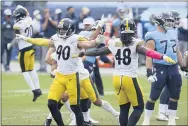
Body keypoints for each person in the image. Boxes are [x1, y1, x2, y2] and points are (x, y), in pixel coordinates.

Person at [78, 18, 176, 126]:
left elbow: (97, 51)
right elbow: (148, 52)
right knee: (138, 108)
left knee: (124, 108)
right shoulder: (135, 43)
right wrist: (162, 56)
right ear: (133, 29)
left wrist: (82, 53)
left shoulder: (114, 42)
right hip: (129, 78)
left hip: (116, 79)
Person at [15, 18, 106, 126]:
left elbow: (89, 44)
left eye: (64, 29)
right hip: (59, 76)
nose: (61, 32)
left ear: (70, 29)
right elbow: (43, 41)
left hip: (72, 77)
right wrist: (27, 39)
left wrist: (96, 41)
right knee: (51, 104)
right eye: (60, 29)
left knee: (75, 107)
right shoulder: (56, 38)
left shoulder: (75, 39)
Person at [142, 12, 187, 125]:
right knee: (154, 95)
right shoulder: (151, 35)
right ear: (160, 22)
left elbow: (176, 51)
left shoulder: (172, 32)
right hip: (160, 66)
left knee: (175, 95)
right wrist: (149, 72)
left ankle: (171, 120)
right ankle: (146, 119)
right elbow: (149, 55)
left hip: (173, 68)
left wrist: (184, 67)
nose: (170, 23)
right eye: (167, 20)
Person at [10, 5, 42, 102]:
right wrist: (22, 9)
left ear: (19, 16)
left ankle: (34, 90)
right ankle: (38, 88)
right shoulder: (29, 20)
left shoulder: (18, 25)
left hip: (23, 50)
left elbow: (16, 33)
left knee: (24, 71)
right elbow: (27, 14)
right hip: (31, 48)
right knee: (32, 70)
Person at [156, 10, 181, 121]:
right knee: (167, 88)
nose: (176, 21)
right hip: (164, 64)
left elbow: (176, 49)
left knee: (172, 88)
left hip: (172, 63)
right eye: (174, 19)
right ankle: (161, 112)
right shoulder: (166, 32)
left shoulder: (172, 31)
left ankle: (166, 112)